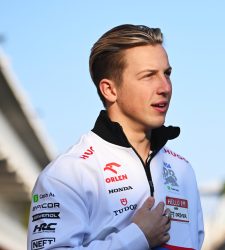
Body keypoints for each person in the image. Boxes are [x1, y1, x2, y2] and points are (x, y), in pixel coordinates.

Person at [27, 24, 204, 250]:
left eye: (166, 73)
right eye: (148, 76)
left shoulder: (183, 170)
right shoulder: (68, 173)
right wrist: (137, 238)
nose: (164, 87)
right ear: (110, 90)